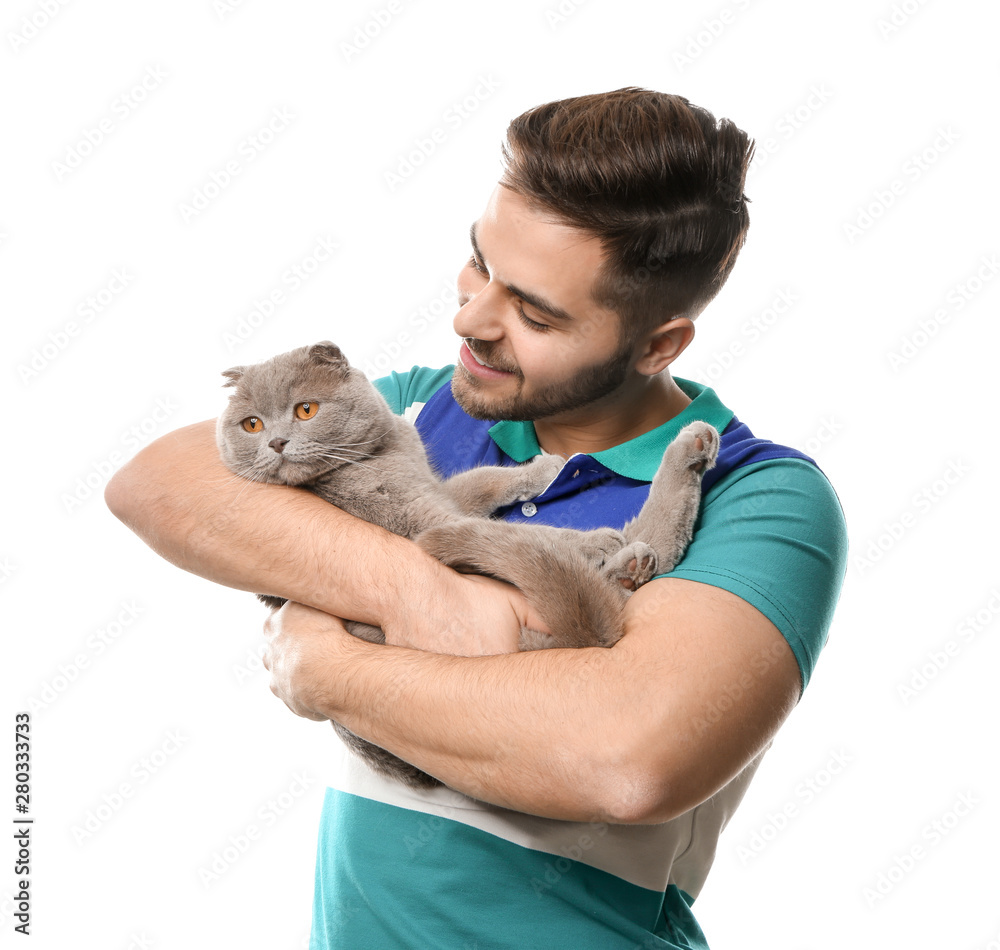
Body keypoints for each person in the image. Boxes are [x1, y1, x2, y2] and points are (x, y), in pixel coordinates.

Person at [106, 88, 848, 949]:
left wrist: (334, 673)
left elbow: (628, 757)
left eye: (533, 313)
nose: (469, 319)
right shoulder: (419, 415)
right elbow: (155, 485)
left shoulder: (762, 496)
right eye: (477, 263)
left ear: (658, 345)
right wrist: (421, 591)